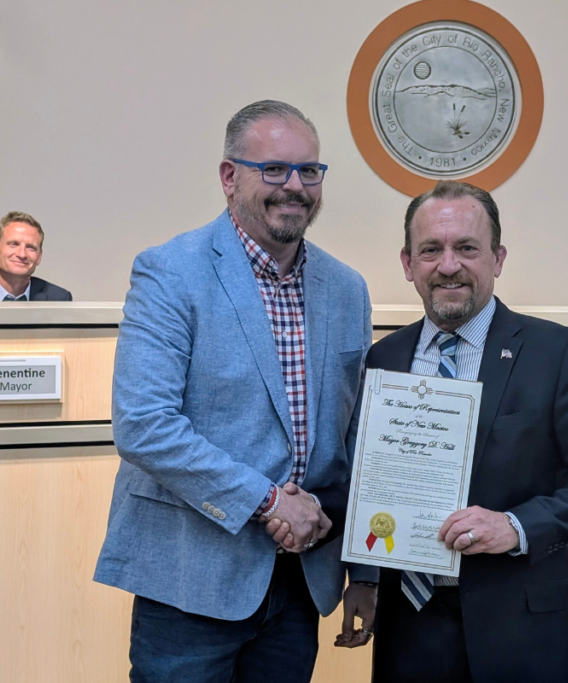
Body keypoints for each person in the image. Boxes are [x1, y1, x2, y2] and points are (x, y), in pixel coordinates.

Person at [93, 100, 373, 683]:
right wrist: (270, 502)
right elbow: (144, 424)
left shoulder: (348, 289)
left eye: (308, 171)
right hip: (189, 581)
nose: (294, 186)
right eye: (273, 169)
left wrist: (365, 567)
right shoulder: (170, 271)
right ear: (229, 176)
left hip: (299, 584)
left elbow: (355, 441)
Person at [335, 181, 568, 683]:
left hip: (524, 627)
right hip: (409, 626)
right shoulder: (384, 358)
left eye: (467, 248)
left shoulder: (557, 353)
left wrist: (516, 526)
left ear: (497, 258)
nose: (449, 265)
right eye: (431, 250)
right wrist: (366, 577)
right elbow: (372, 478)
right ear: (408, 263)